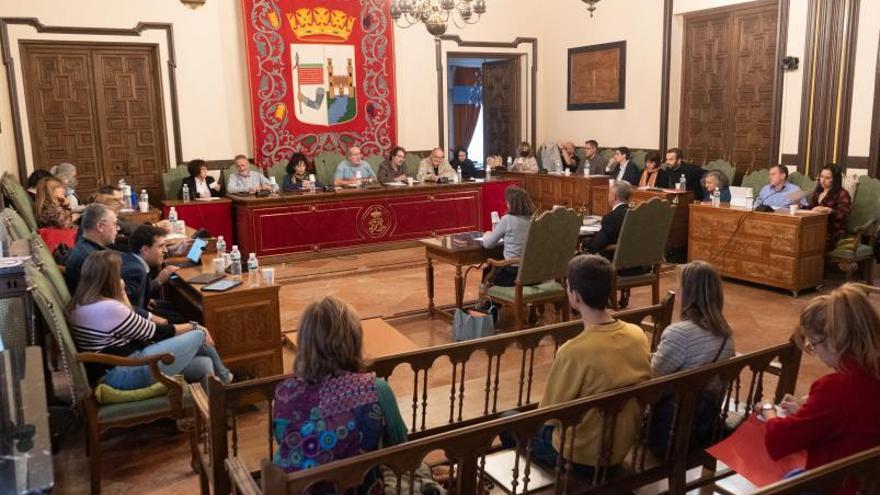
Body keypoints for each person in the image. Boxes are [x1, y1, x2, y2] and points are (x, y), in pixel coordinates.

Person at [501, 254, 650, 477]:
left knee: (507, 420)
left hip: (578, 456)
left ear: (575, 296)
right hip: (620, 450)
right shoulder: (637, 334)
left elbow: (548, 415)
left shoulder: (573, 351)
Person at [272, 296, 407, 480]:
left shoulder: (284, 394)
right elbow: (401, 449)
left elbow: (285, 441)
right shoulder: (376, 389)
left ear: (304, 342)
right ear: (354, 339)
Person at [762, 284, 880, 495]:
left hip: (840, 484)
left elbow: (778, 441)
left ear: (835, 343)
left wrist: (769, 411)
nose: (813, 350)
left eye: (813, 343)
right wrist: (806, 409)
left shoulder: (837, 387)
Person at [67, 250, 231, 388]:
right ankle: (227, 381)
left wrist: (122, 294)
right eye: (118, 274)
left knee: (204, 364)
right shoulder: (109, 308)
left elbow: (132, 319)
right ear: (110, 279)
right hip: (124, 372)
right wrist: (195, 326)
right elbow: (155, 332)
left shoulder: (81, 303)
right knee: (199, 334)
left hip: (116, 368)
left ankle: (211, 412)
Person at [649, 261, 735, 457]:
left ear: (689, 294)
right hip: (705, 421)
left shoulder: (679, 334)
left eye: (679, 286)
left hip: (671, 429)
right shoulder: (725, 332)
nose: (676, 291)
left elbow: (651, 378)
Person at [121, 224, 183, 324]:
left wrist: (146, 298)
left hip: (142, 309)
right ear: (145, 250)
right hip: (138, 324)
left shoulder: (131, 259)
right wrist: (151, 317)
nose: (165, 250)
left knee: (172, 307)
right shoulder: (135, 270)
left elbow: (136, 294)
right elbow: (123, 307)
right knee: (180, 318)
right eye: (160, 246)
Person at [481, 186, 535, 287]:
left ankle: (490, 302)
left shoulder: (507, 219)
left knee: (488, 271)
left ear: (511, 204)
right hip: (532, 273)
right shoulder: (534, 220)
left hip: (512, 274)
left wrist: (487, 235)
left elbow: (488, 244)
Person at [65, 204, 118, 292]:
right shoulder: (94, 260)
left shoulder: (82, 247)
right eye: (114, 224)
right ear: (100, 226)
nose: (118, 228)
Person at [807, 164, 851, 249]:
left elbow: (844, 214)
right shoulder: (818, 191)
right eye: (821, 177)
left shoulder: (842, 193)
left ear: (835, 180)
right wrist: (800, 206)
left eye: (827, 178)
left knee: (808, 238)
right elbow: (811, 208)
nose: (823, 180)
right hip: (816, 227)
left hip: (833, 230)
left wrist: (829, 210)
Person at [584, 181, 631, 258]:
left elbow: (597, 245)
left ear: (614, 197)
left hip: (612, 260)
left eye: (609, 193)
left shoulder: (610, 218)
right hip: (637, 261)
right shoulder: (636, 214)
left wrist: (585, 242)